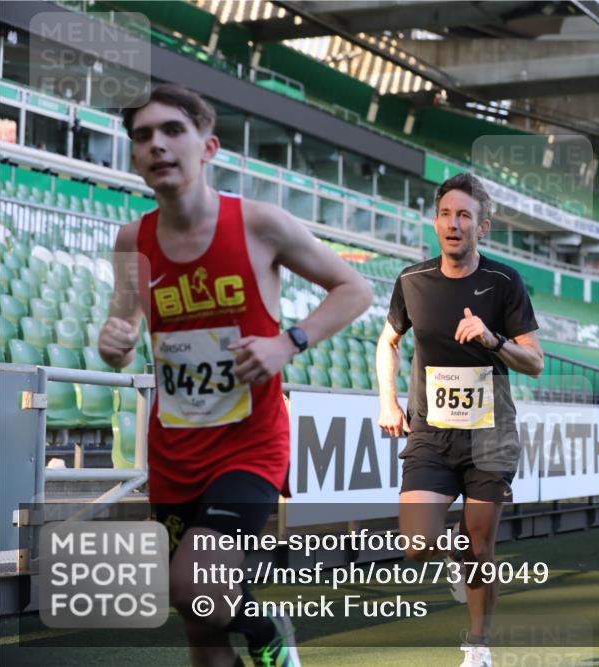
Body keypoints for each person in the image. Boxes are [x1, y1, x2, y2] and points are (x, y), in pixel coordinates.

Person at [99, 84, 372, 667]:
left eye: (173, 130)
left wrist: (288, 341)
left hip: (250, 446)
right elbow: (120, 337)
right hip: (174, 449)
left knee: (191, 588)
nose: (157, 145)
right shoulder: (132, 240)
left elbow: (356, 288)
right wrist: (113, 344)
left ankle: (263, 623)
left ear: (209, 146)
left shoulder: (259, 224)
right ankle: (260, 623)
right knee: (201, 623)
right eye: (142, 136)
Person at [376, 172, 544, 667]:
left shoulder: (503, 281)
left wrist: (493, 339)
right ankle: (454, 553)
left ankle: (477, 646)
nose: (454, 224)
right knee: (414, 544)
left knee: (481, 547)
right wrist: (387, 401)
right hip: (431, 431)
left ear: (483, 227)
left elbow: (535, 361)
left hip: (490, 435)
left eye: (465, 215)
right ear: (435, 223)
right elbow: (388, 341)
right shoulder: (411, 280)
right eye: (446, 214)